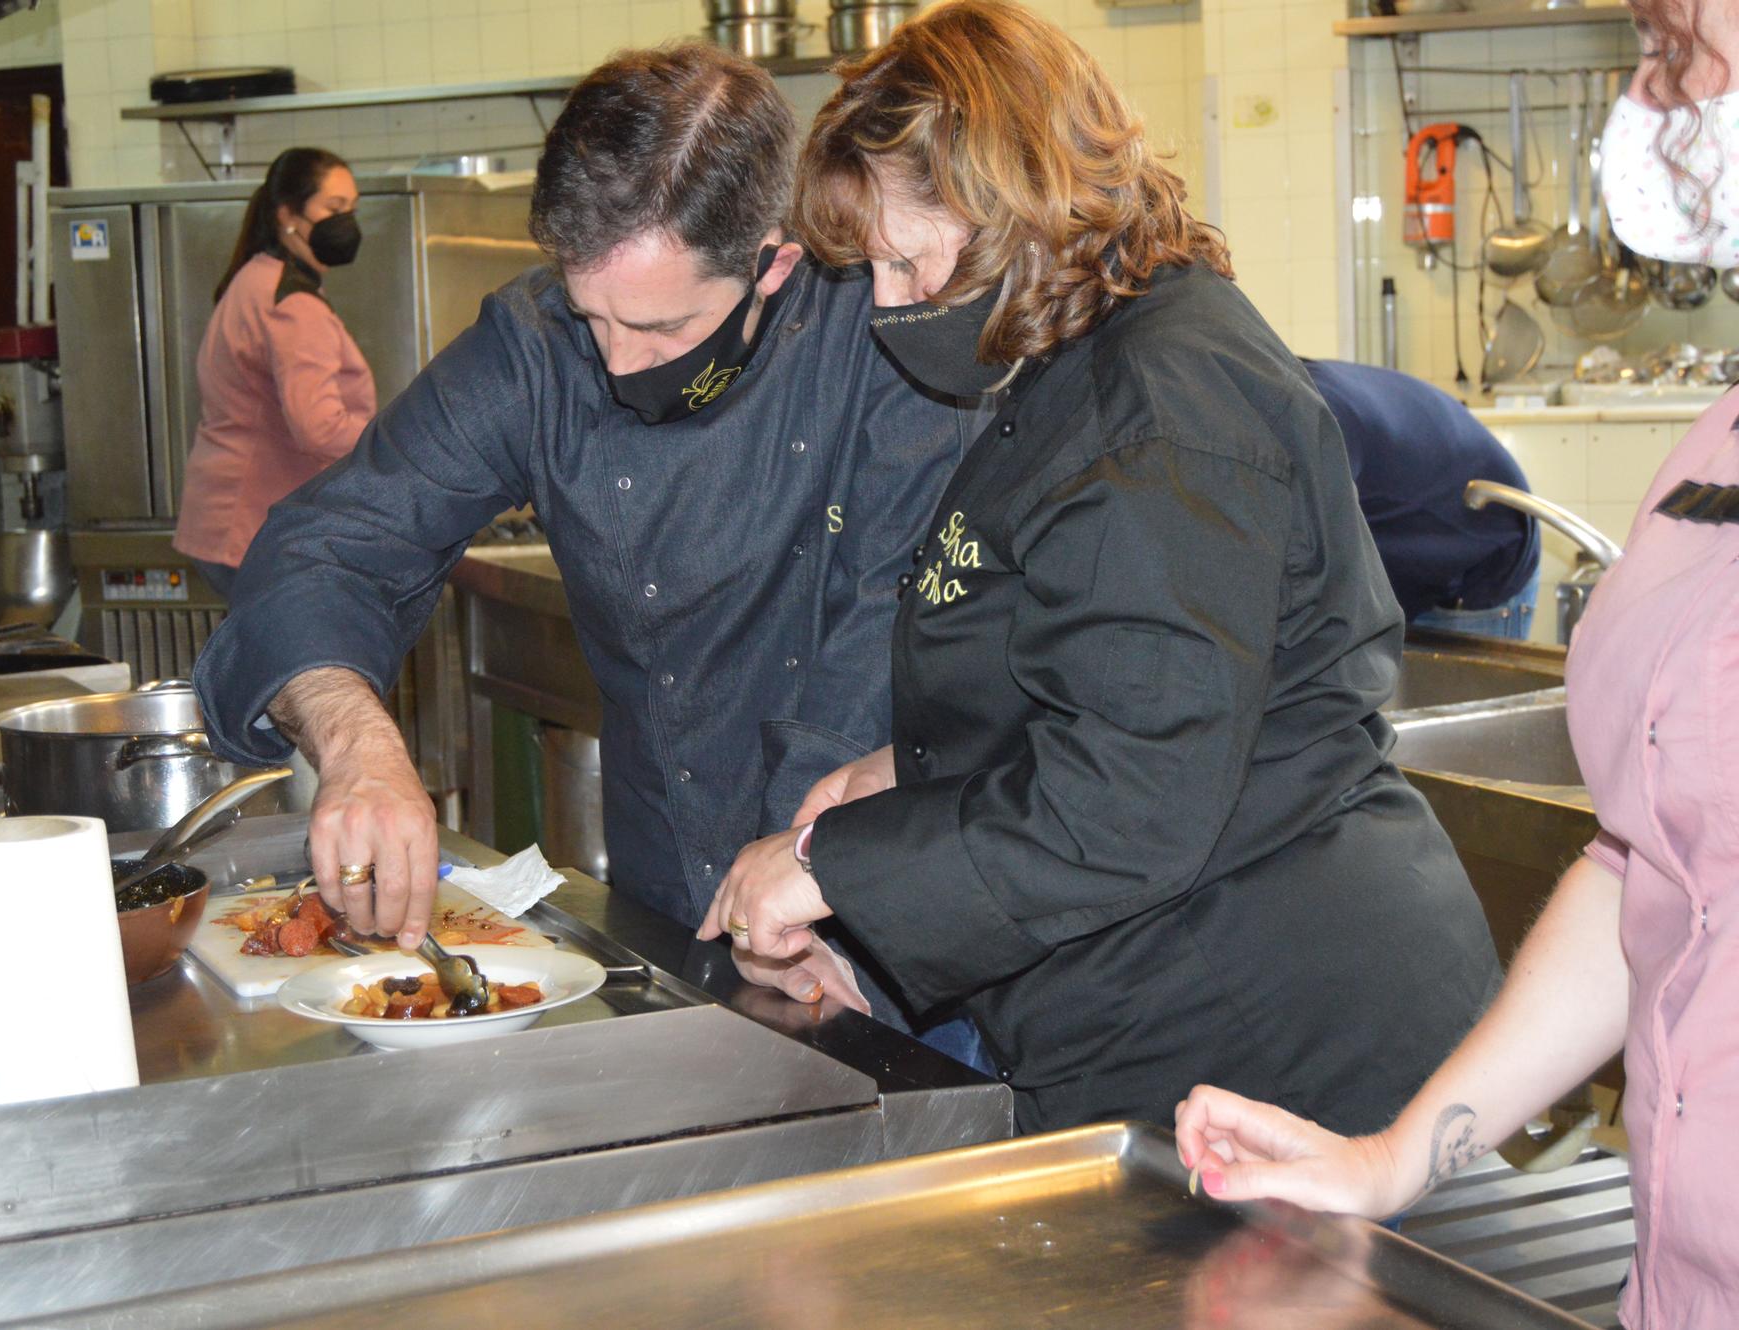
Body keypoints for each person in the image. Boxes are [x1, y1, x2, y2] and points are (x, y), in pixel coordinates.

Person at [698, 0, 1501, 1137]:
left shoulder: (1158, 413)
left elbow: (1127, 797)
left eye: (903, 262)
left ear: (1008, 205)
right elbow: (1099, 671)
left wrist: (838, 871)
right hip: (1169, 1010)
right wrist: (907, 771)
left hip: (1272, 1034)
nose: (885, 305)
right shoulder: (1078, 361)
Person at [191, 46, 985, 1044]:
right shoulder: (536, 348)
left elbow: (874, 642)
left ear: (773, 262)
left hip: (884, 929)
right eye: (589, 312)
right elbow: (333, 540)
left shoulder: (878, 336)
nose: (612, 362)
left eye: (655, 328)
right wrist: (353, 740)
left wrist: (808, 878)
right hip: (672, 916)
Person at [1177, 3, 1739, 1324]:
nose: (1649, 95)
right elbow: (1653, 864)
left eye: (1679, 48)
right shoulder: (1714, 443)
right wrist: (1395, 1153)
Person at [174, 148, 375, 599]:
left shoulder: (256, 278)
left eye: (353, 209)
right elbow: (319, 429)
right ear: (288, 214)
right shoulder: (293, 304)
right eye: (334, 208)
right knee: (293, 667)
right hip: (254, 526)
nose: (347, 222)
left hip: (231, 520)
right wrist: (392, 438)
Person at [1304, 359, 1541, 639]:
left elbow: (1309, 561)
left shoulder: (1313, 417)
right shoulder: (1284, 391)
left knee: (1449, 684)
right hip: (1415, 554)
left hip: (1481, 556)